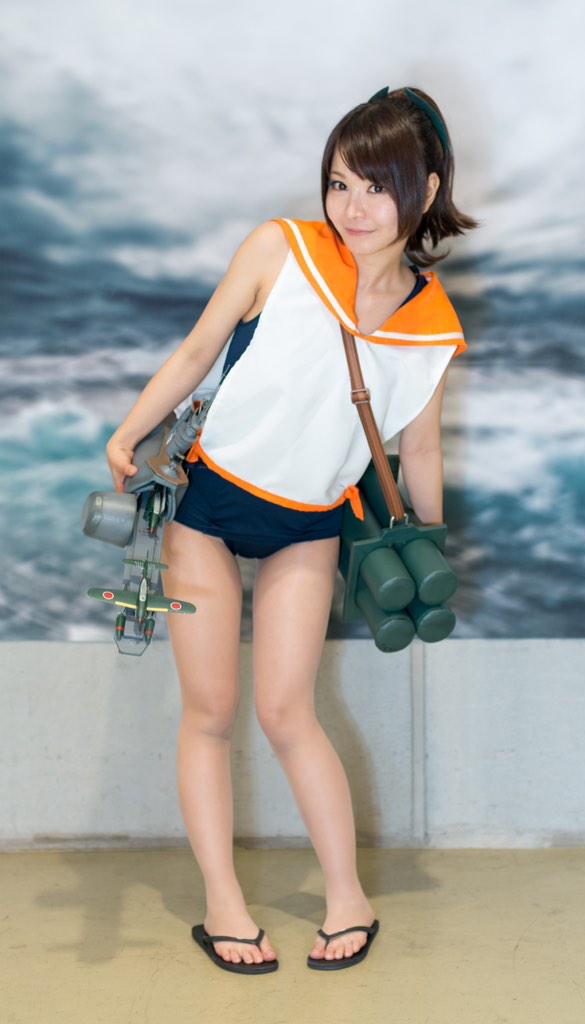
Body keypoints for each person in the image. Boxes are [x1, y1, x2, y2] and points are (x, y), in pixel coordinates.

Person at [106, 85, 478, 974]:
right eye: (340, 183)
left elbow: (421, 448)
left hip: (310, 525)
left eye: (378, 187)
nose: (354, 207)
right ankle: (223, 906)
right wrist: (128, 432)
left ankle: (348, 896)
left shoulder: (431, 328)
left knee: (286, 711)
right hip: (206, 507)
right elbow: (198, 350)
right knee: (210, 711)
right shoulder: (281, 249)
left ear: (426, 191)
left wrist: (430, 551)